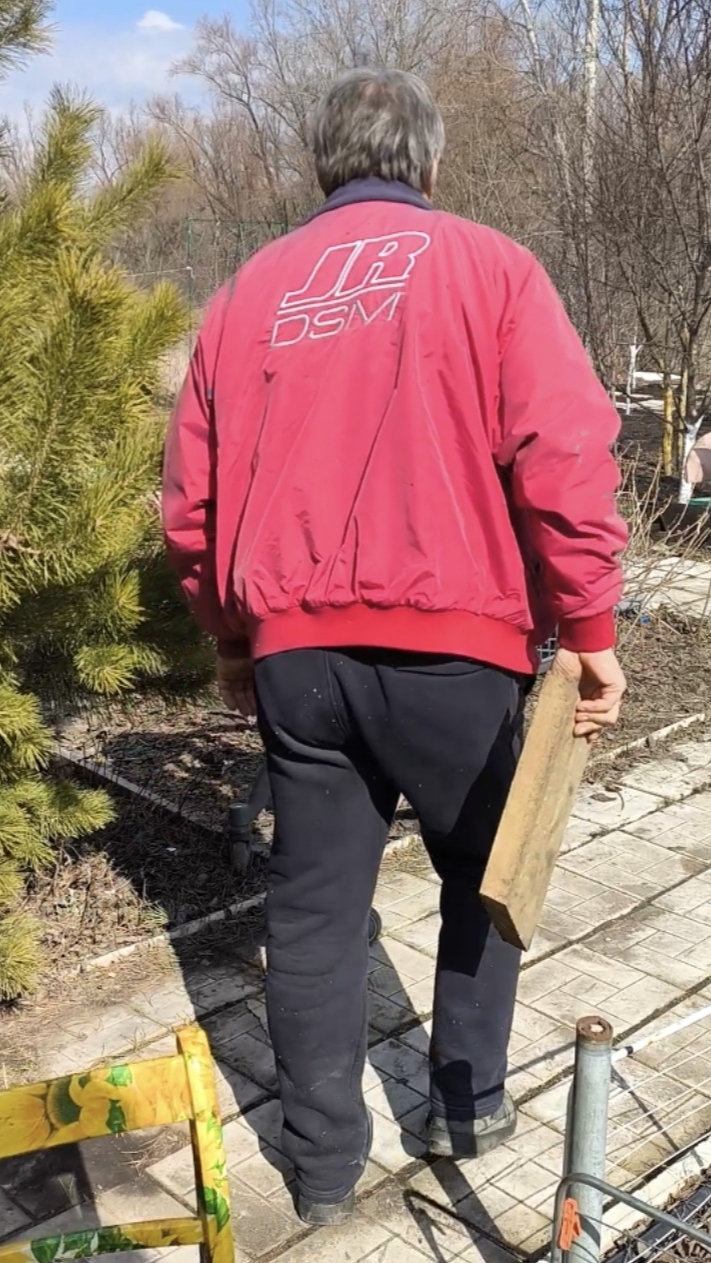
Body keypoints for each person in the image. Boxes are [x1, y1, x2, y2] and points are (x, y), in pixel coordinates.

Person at [162, 67, 627, 1227]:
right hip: (455, 650)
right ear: (429, 160)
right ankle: (463, 1105)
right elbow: (566, 456)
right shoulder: (492, 268)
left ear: (324, 160)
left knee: (314, 910)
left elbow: (192, 508)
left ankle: (320, 1168)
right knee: (485, 871)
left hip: (298, 661)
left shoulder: (245, 296)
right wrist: (591, 629)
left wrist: (232, 640)